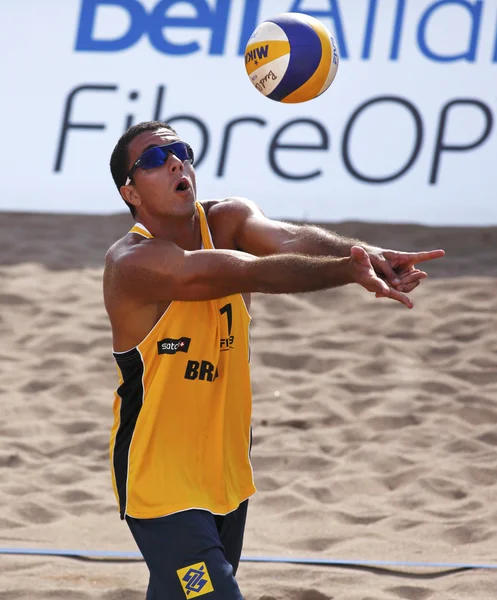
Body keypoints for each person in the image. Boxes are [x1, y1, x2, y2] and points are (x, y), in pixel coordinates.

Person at [104, 120, 444, 599]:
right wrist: (347, 271)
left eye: (181, 150)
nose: (176, 161)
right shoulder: (132, 264)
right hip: (158, 479)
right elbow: (255, 271)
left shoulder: (227, 220)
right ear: (131, 192)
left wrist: (368, 254)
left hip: (226, 475)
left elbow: (287, 239)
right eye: (156, 159)